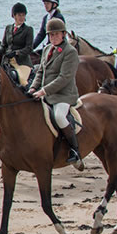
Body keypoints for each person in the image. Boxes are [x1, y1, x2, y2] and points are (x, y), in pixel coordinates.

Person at [29, 18, 82, 168]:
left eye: (56, 34)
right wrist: (33, 88)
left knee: (59, 116)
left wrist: (43, 91)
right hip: (45, 92)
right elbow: (40, 72)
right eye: (51, 35)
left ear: (63, 34)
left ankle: (74, 150)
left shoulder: (70, 52)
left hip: (64, 94)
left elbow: (64, 78)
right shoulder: (47, 49)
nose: (53, 37)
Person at [1, 2, 34, 86]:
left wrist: (16, 53)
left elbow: (29, 48)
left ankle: (28, 92)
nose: (21, 17)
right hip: (7, 61)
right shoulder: (8, 28)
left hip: (22, 62)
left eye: (23, 15)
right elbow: (4, 44)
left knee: (22, 81)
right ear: (14, 15)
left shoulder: (28, 30)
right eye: (19, 15)